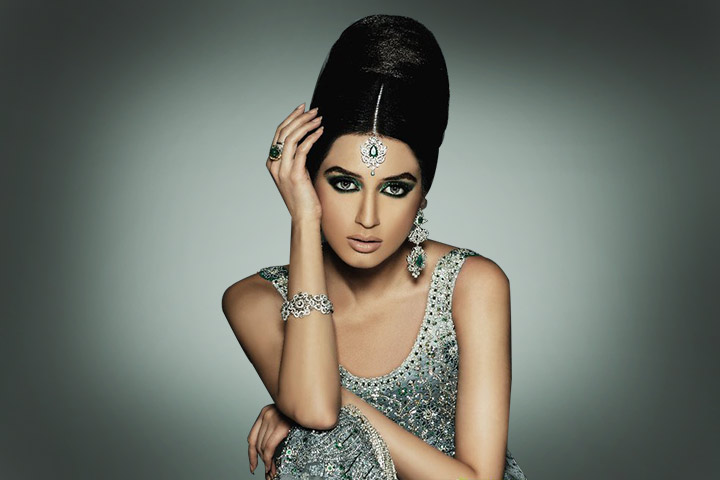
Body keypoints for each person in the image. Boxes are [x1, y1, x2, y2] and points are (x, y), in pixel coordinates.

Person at [222, 14, 528, 480]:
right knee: (316, 436)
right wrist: (303, 219)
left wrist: (303, 403)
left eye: (395, 188)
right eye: (344, 183)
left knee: (312, 431)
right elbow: (316, 409)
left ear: (422, 194)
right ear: (307, 177)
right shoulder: (253, 299)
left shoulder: (472, 286)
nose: (368, 217)